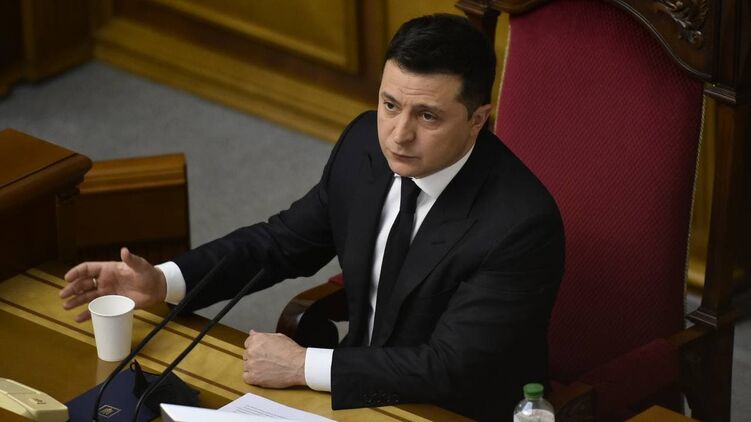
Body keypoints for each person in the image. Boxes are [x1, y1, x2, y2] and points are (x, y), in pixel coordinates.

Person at [60, 14, 564, 420]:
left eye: (427, 116)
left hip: (449, 410)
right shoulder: (364, 146)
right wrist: (164, 281)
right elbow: (280, 242)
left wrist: (304, 364)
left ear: (477, 120)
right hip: (355, 392)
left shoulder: (520, 224)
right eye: (390, 105)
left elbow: (451, 368)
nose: (398, 135)